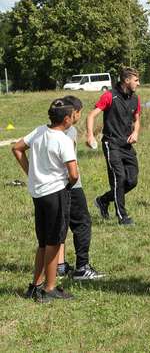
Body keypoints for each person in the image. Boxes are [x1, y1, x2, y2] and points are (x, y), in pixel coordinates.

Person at [12, 99, 79, 302]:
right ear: (67, 119)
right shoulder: (63, 140)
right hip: (56, 193)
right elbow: (73, 174)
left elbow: (17, 148)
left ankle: (35, 285)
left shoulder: (39, 131)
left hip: (39, 194)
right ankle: (49, 288)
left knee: (43, 242)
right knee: (54, 242)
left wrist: (32, 173)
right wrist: (67, 184)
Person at [56, 96, 104, 280]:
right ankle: (82, 267)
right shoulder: (70, 131)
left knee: (60, 225)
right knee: (82, 223)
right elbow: (69, 162)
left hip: (51, 187)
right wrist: (73, 180)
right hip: (71, 185)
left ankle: (59, 266)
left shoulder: (46, 130)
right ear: (73, 113)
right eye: (80, 112)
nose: (80, 116)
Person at [87, 67, 141, 226]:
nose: (138, 83)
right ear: (127, 80)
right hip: (111, 144)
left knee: (132, 181)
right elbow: (91, 115)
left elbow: (137, 119)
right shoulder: (109, 96)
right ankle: (122, 217)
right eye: (136, 80)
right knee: (119, 178)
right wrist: (90, 135)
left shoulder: (135, 99)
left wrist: (136, 132)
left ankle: (103, 200)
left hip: (127, 145)